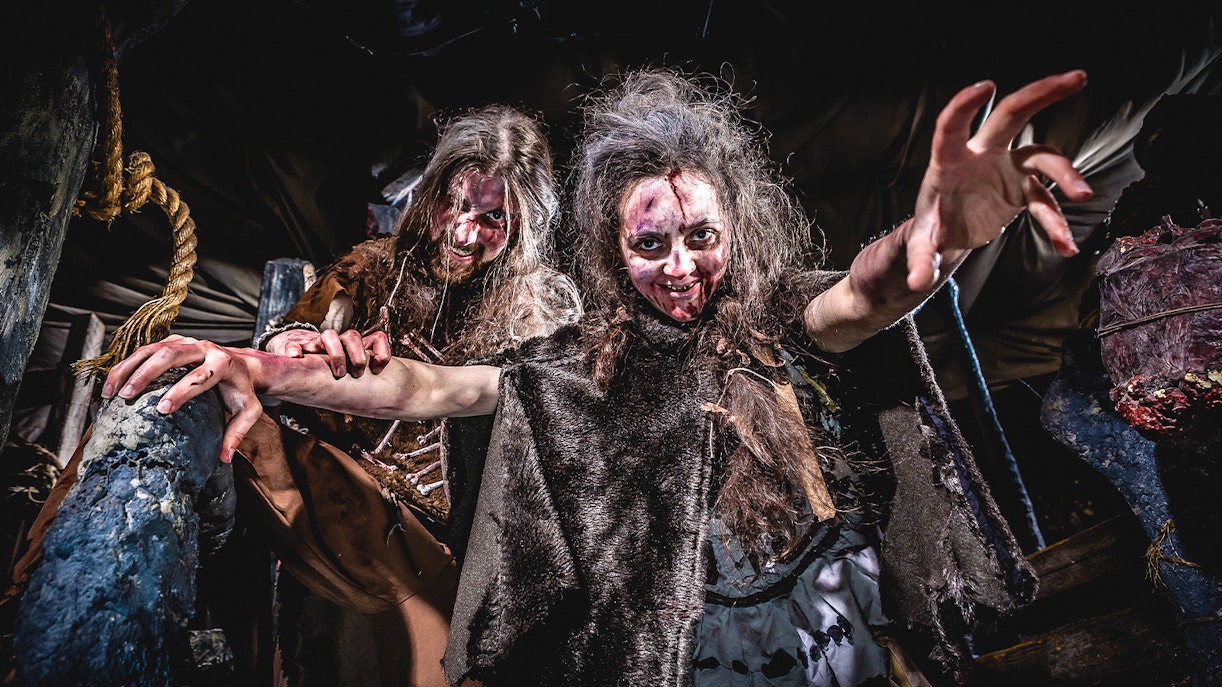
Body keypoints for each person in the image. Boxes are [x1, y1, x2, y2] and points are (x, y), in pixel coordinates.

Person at [102, 67, 1093, 686]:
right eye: (651, 243)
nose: (681, 266)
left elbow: (864, 295)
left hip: (843, 619)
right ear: (614, 254)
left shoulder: (769, 315)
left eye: (700, 236)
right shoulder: (576, 366)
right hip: (699, 656)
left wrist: (939, 239)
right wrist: (261, 366)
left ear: (732, 230)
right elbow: (423, 390)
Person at [8, 103, 580, 687]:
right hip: (337, 508)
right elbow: (294, 341)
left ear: (525, 229)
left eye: (493, 219)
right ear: (432, 193)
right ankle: (23, 605)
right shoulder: (375, 270)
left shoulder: (539, 322)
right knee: (173, 395)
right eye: (455, 204)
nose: (463, 232)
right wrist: (307, 341)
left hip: (447, 554)